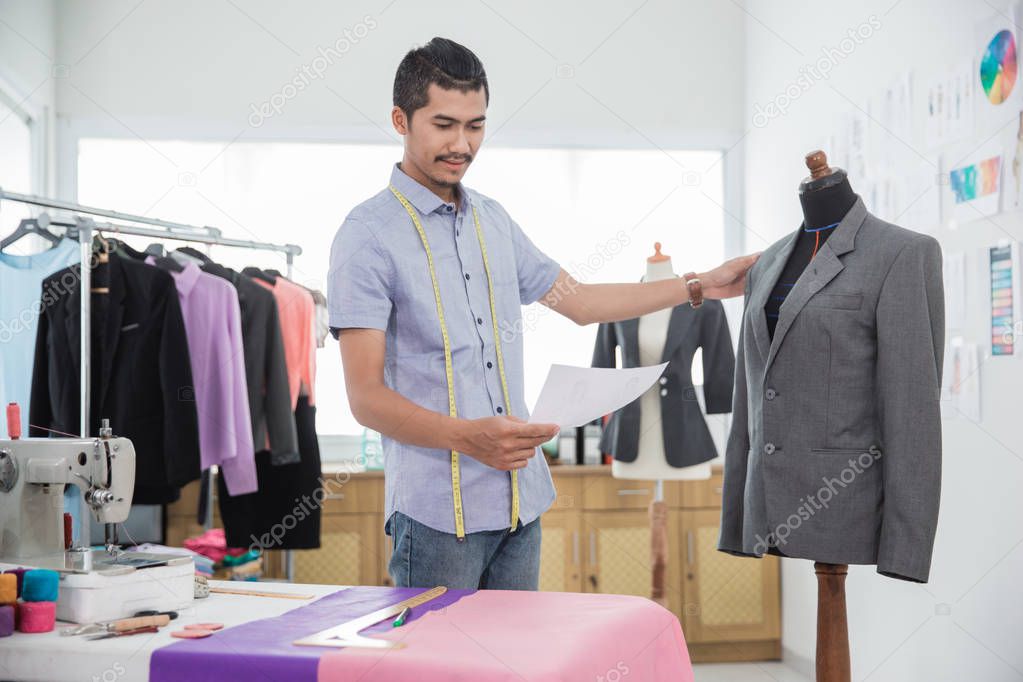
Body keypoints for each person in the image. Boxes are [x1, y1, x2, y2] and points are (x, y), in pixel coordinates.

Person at [328, 36, 757, 591]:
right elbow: (365, 397)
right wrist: (467, 437)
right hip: (437, 518)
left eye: (476, 125)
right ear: (400, 120)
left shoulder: (493, 220)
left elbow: (579, 303)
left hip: (520, 507)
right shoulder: (365, 236)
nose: (462, 143)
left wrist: (699, 285)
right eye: (444, 124)